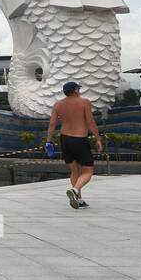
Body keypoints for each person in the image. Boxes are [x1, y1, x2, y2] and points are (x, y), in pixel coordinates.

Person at [45, 80, 103, 209]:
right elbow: (90, 122)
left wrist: (49, 141)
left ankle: (79, 199)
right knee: (88, 171)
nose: (79, 91)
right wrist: (98, 139)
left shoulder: (58, 105)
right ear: (75, 90)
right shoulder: (84, 102)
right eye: (78, 89)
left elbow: (52, 124)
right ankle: (75, 190)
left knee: (74, 170)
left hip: (64, 139)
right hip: (79, 139)